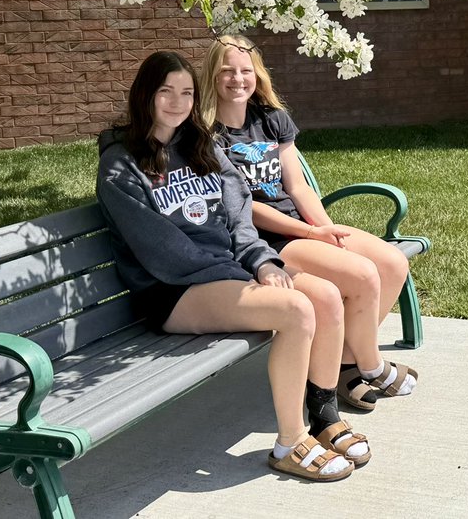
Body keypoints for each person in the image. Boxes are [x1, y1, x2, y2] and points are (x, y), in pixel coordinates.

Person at [96, 50, 369, 481]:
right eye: (164, 91)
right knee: (297, 309)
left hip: (229, 274)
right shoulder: (121, 164)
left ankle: (324, 417)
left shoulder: (200, 146)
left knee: (326, 297)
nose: (176, 101)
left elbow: (240, 214)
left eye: (186, 92)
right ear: (144, 95)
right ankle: (289, 443)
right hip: (173, 291)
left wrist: (260, 261)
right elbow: (163, 252)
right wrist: (244, 276)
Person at [200, 36, 417, 411]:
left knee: (393, 262)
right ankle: (372, 366)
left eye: (245, 70)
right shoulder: (207, 136)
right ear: (211, 76)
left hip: (300, 228)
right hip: (263, 242)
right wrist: (311, 233)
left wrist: (328, 230)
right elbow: (243, 208)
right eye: (227, 71)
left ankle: (346, 365)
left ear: (258, 75)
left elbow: (297, 185)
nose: (237, 79)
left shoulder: (271, 119)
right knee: (364, 275)